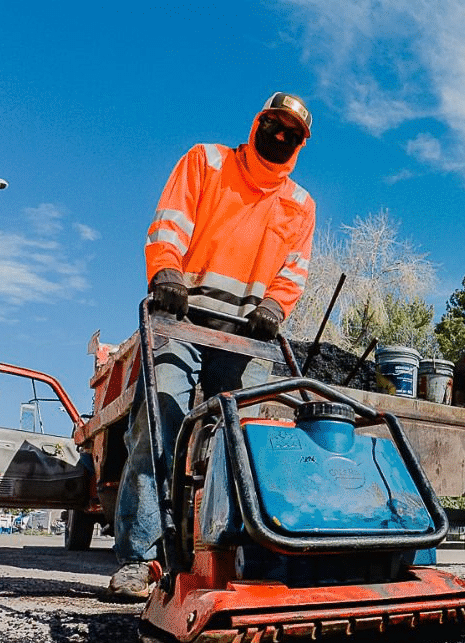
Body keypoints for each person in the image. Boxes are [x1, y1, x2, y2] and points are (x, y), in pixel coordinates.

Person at [109, 92, 317, 598]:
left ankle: (240, 551)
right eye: (274, 124)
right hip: (182, 313)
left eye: (292, 132)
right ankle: (140, 559)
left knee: (245, 440)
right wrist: (166, 272)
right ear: (258, 122)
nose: (280, 136)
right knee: (159, 424)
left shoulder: (300, 203)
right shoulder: (207, 161)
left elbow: (293, 271)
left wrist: (275, 307)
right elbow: (170, 224)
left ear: (301, 143)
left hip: (245, 335)